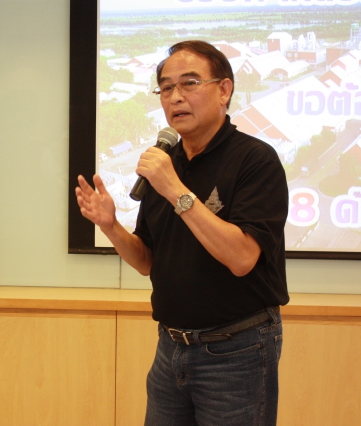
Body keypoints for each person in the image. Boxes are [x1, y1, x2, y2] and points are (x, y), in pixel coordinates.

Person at [76, 40, 289, 426]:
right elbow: (147, 261)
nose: (175, 97)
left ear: (224, 90)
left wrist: (175, 189)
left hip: (237, 351)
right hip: (170, 348)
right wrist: (110, 226)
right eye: (166, 87)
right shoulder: (165, 163)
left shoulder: (255, 160)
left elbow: (242, 258)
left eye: (189, 83)